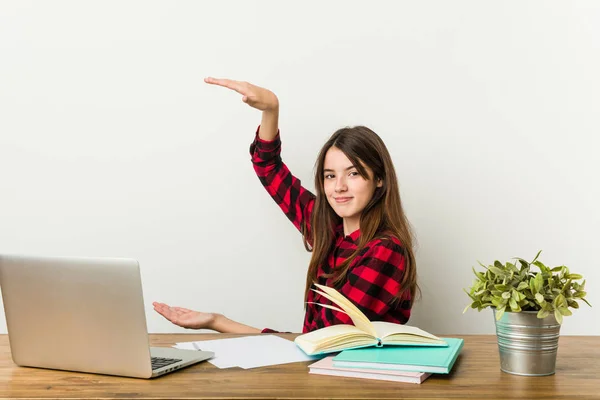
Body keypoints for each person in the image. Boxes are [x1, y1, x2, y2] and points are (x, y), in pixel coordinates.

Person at [153, 77, 418, 334]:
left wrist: (222, 325)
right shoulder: (328, 229)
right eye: (330, 175)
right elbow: (268, 168)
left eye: (353, 173)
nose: (339, 187)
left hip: (357, 376)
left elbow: (324, 340)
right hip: (322, 372)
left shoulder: (384, 250)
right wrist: (271, 110)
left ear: (379, 179)